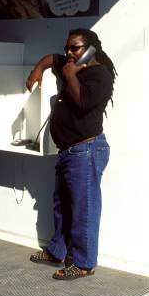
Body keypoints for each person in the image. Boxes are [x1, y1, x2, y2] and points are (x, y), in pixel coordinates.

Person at [26, 28, 116, 280]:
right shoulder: (70, 64)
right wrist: (38, 70)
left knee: (83, 210)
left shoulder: (100, 74)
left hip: (86, 150)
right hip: (69, 151)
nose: (68, 53)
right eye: (67, 48)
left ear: (90, 50)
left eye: (74, 48)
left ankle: (84, 264)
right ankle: (57, 251)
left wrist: (71, 75)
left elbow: (82, 102)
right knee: (62, 205)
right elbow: (50, 58)